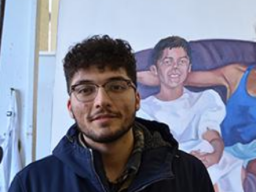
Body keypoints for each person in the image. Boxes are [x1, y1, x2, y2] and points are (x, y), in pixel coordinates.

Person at [8, 35, 214, 192]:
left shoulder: (189, 175)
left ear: (137, 99)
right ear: (70, 107)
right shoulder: (33, 184)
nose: (102, 101)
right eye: (85, 90)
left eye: (116, 87)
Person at [136, 36, 244, 192]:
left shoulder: (204, 100)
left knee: (221, 165)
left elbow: (212, 137)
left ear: (189, 68)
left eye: (182, 62)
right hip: (172, 163)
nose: (175, 67)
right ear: (154, 70)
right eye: (168, 62)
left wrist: (215, 155)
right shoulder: (145, 109)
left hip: (202, 156)